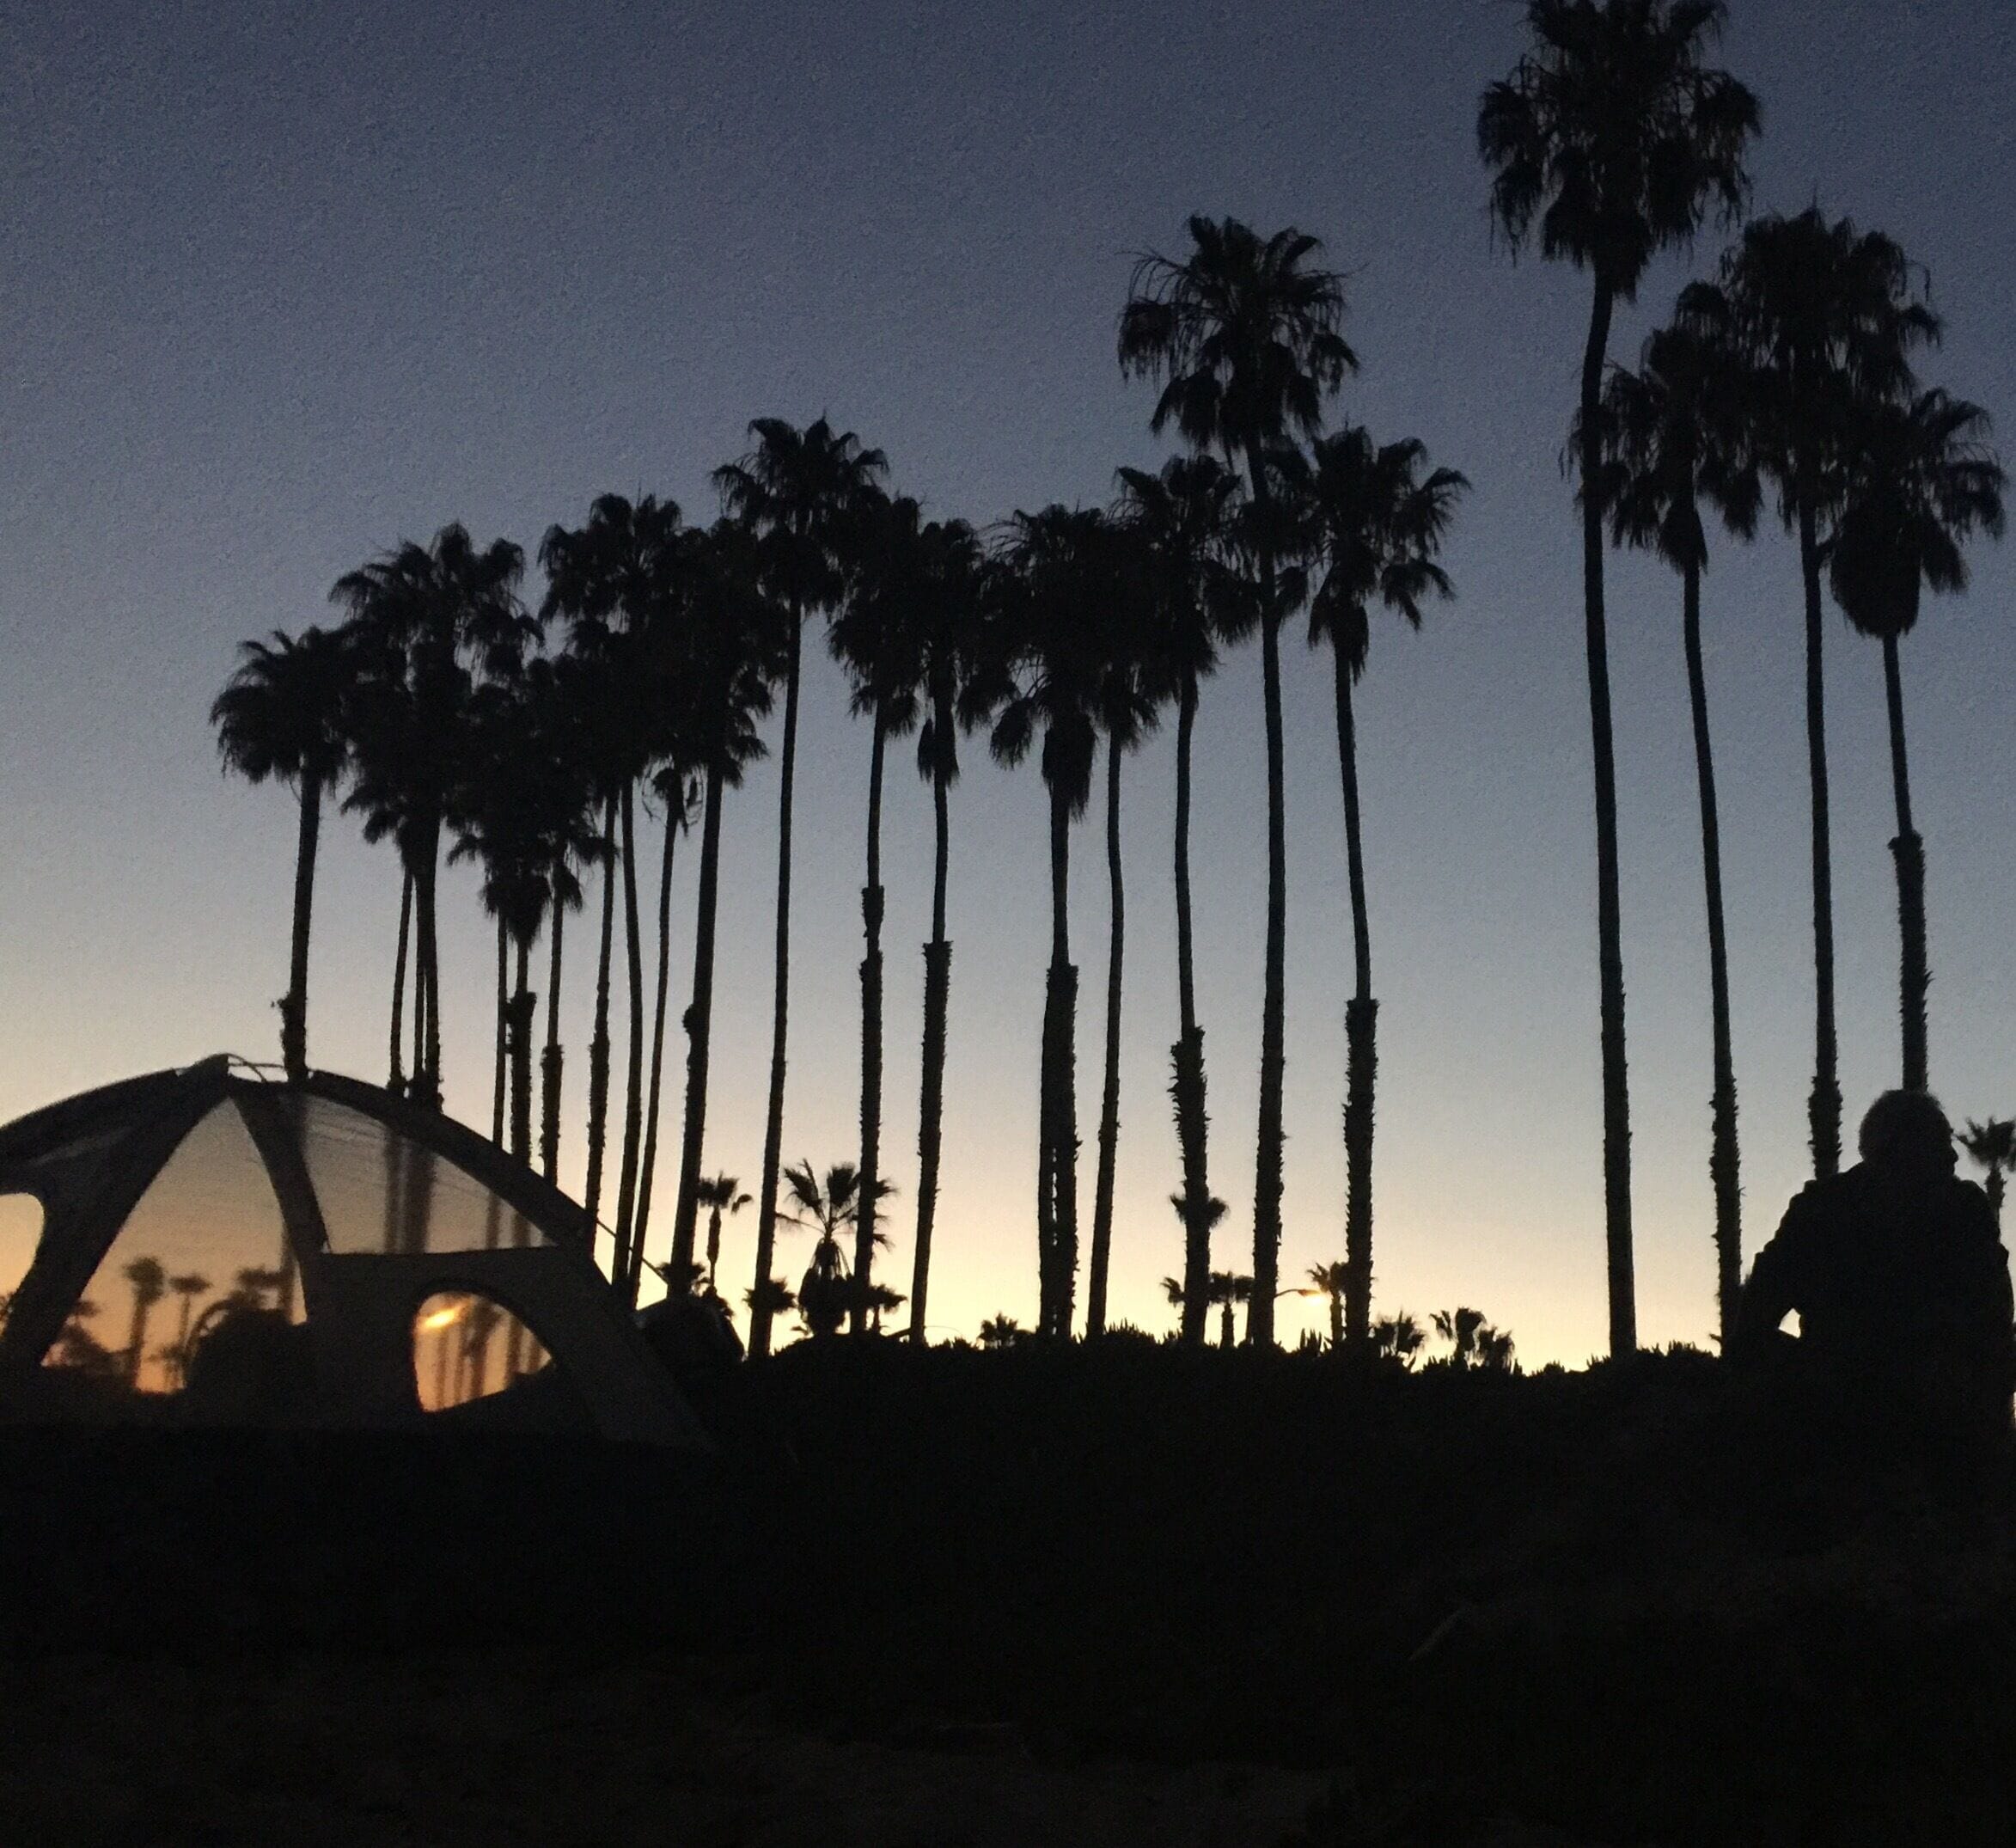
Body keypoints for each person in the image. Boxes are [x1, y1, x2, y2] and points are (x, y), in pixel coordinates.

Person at [1733, 1090, 2014, 1455]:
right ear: (1897, 1150)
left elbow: (1757, 1313)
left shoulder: (1822, 1207)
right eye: (1939, 1142)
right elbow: (1759, 1311)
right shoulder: (1824, 1209)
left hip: (1876, 1397)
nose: (1952, 1155)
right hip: (1885, 1401)